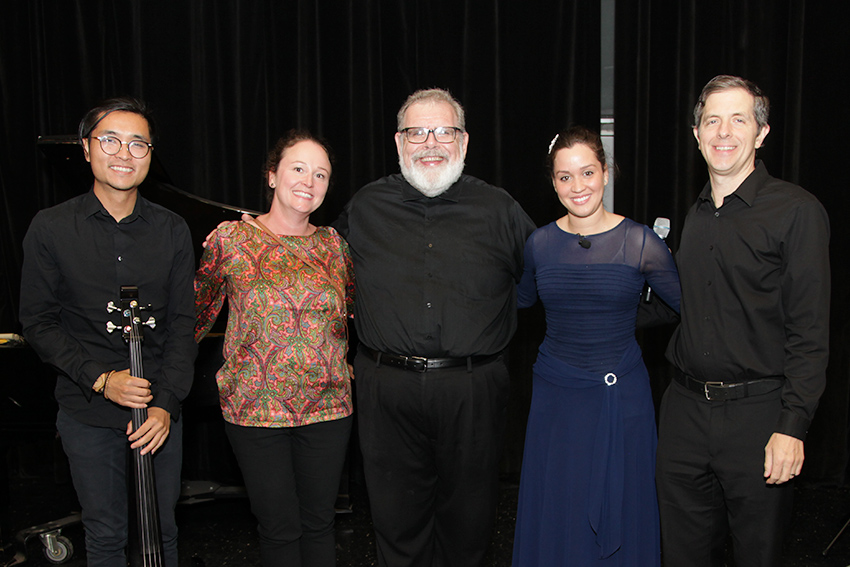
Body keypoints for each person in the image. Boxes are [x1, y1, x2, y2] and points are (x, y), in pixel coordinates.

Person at [331, 88, 536, 566]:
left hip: (473, 388)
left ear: (464, 142)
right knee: (394, 523)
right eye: (417, 131)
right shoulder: (365, 207)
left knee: (469, 526)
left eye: (444, 131)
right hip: (386, 389)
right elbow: (320, 274)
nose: (431, 142)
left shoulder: (500, 209)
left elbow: (546, 277)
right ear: (399, 142)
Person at [655, 75, 831, 566]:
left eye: (739, 119)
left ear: (762, 132)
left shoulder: (797, 212)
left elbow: (810, 332)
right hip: (684, 416)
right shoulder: (692, 216)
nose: (724, 131)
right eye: (712, 120)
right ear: (696, 133)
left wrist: (792, 426)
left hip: (759, 419)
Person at [19, 97, 196, 567]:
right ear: (86, 149)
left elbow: (182, 325)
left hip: (159, 414)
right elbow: (38, 321)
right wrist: (101, 378)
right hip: (87, 409)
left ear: (151, 154)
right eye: (110, 140)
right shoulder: (51, 228)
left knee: (163, 529)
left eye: (138, 144)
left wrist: (166, 404)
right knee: (105, 532)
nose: (124, 153)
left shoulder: (173, 230)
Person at [511, 126, 680, 566]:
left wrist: (623, 323)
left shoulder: (641, 242)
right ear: (553, 183)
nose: (577, 186)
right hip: (557, 398)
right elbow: (520, 301)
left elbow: (682, 308)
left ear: (606, 173)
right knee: (558, 507)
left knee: (624, 507)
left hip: (620, 397)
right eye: (565, 177)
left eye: (587, 172)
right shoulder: (540, 244)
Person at [194, 130, 354, 567]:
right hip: (254, 409)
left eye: (320, 174)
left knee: (320, 523)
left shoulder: (334, 246)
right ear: (272, 176)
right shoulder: (229, 240)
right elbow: (196, 314)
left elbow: (353, 314)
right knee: (279, 528)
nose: (309, 180)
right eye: (298, 168)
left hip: (328, 407)